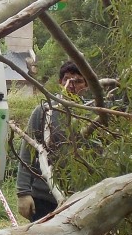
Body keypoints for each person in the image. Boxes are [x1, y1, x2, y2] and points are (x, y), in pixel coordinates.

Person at [16, 61, 89, 221]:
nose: (71, 85)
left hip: (81, 198)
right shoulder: (44, 111)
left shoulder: (91, 115)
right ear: (60, 82)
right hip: (44, 198)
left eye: (78, 81)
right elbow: (27, 152)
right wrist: (23, 193)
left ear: (86, 85)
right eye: (67, 79)